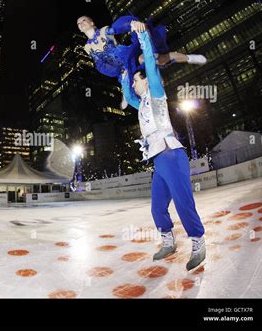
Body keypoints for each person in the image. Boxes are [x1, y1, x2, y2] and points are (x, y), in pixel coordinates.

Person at [125, 21, 206, 271]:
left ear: (147, 81)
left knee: (183, 201)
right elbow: (128, 97)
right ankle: (168, 241)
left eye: (137, 81)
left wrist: (142, 37)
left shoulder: (156, 94)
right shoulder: (141, 105)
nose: (135, 86)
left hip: (171, 154)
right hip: (158, 160)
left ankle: (198, 242)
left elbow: (150, 62)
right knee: (157, 206)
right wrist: (123, 77)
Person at [76, 15, 207, 110]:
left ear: (92, 22)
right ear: (80, 29)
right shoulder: (87, 47)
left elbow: (119, 27)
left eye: (84, 20)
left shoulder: (104, 31)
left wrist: (132, 24)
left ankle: (189, 58)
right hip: (119, 68)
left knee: (154, 58)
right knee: (128, 88)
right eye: (78, 23)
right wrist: (116, 71)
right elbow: (100, 64)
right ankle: (136, 101)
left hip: (127, 56)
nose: (81, 23)